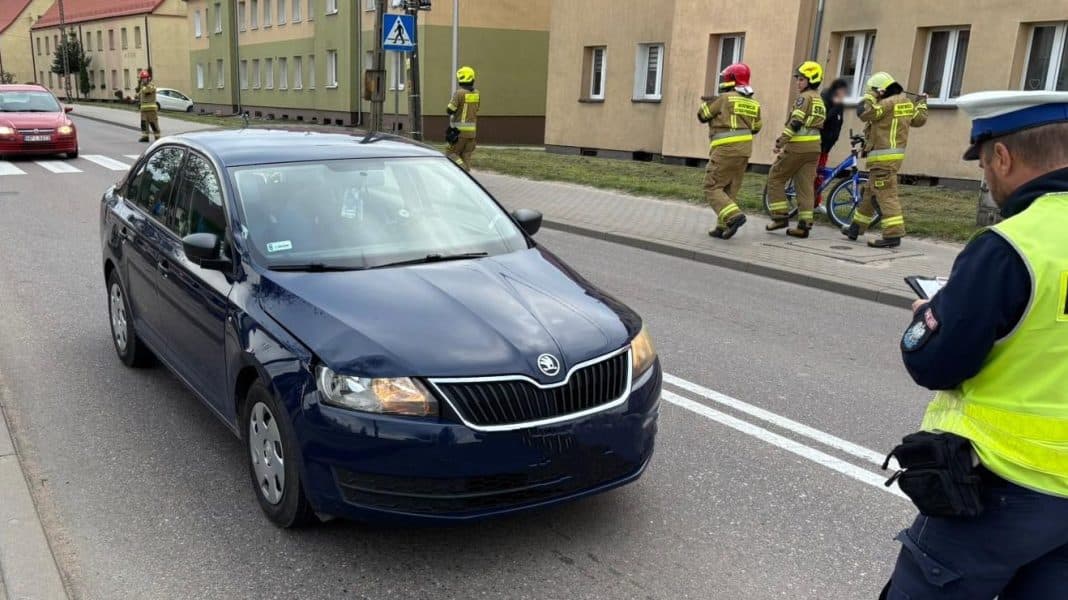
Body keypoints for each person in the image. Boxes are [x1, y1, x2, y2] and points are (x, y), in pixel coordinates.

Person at [882, 90, 1068, 599]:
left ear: (1003, 157)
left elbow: (936, 363)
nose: (986, 178)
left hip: (1001, 494)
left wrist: (927, 317)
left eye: (984, 164)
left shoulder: (1012, 246)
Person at [842, 72, 927, 248]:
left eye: (874, 92)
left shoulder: (887, 103)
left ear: (880, 91)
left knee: (886, 195)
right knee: (870, 193)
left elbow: (864, 112)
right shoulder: (905, 102)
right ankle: (856, 228)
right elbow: (919, 120)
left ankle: (892, 235)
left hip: (883, 158)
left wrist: (870, 95)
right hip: (889, 158)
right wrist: (922, 103)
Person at [698, 62, 762, 239]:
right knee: (730, 189)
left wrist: (711, 101)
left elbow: (702, 115)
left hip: (725, 149)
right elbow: (757, 127)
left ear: (731, 79)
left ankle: (734, 216)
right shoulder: (753, 103)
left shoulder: (724, 98)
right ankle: (722, 227)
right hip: (744, 151)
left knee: (712, 186)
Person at [766, 61, 825, 238]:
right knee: (805, 187)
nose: (797, 82)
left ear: (811, 79)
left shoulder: (804, 98)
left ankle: (780, 216)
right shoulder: (819, 100)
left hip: (798, 146)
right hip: (814, 148)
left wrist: (780, 142)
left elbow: (796, 122)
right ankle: (804, 225)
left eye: (801, 79)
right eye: (797, 79)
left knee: (775, 177)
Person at [816, 78, 849, 209]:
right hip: (819, 144)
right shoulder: (826, 100)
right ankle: (813, 203)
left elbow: (837, 125)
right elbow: (824, 120)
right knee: (816, 176)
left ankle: (815, 203)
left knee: (819, 176)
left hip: (827, 146)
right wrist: (837, 107)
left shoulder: (839, 105)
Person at [445, 66, 480, 172]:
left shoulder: (459, 93)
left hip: (459, 131)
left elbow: (450, 110)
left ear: (460, 79)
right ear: (472, 79)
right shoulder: (476, 93)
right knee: (466, 155)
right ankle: (467, 174)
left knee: (451, 153)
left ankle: (463, 171)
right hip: (472, 132)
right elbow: (477, 108)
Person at [137, 69, 160, 143]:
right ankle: (145, 137)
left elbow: (147, 90)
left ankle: (157, 137)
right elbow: (139, 95)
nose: (143, 80)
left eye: (145, 78)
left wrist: (143, 87)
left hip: (151, 110)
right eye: (142, 78)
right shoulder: (142, 86)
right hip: (143, 110)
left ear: (148, 78)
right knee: (144, 123)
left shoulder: (151, 85)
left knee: (153, 123)